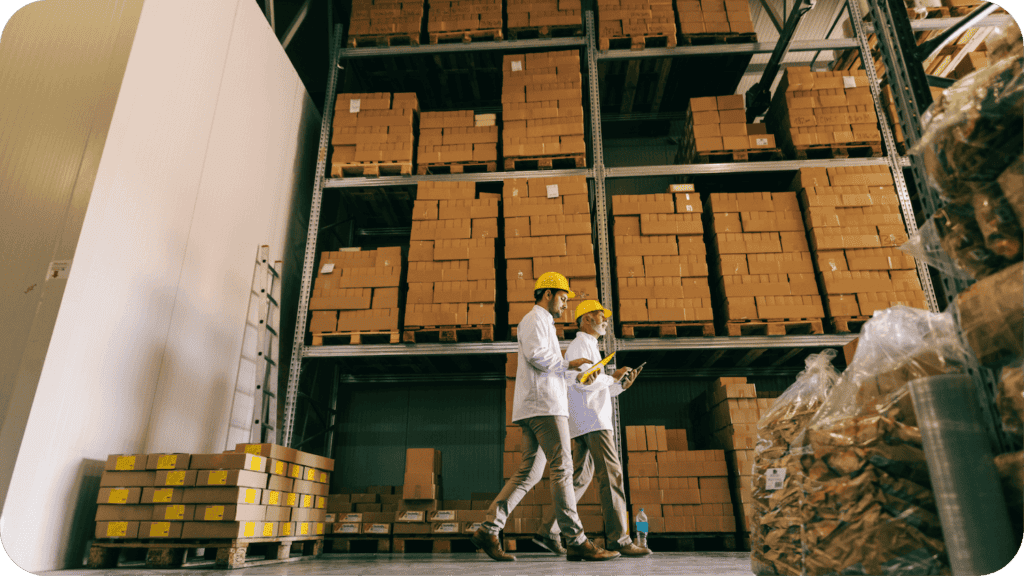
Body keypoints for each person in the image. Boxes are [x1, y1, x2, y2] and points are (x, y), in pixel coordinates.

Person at [471, 272, 620, 562]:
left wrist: (577, 375)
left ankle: (489, 529)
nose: (565, 305)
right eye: (563, 298)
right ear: (548, 293)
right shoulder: (535, 320)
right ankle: (576, 539)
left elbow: (549, 367)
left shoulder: (543, 323)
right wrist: (568, 364)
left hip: (537, 404)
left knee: (531, 471)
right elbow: (538, 356)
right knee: (563, 467)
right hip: (545, 407)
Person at [531, 300, 652, 557]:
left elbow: (594, 385)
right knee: (611, 476)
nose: (605, 320)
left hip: (584, 420)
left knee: (579, 479)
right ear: (587, 319)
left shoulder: (589, 346)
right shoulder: (581, 345)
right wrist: (614, 375)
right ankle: (619, 540)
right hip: (594, 421)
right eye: (600, 315)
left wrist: (619, 385)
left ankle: (548, 530)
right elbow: (584, 380)